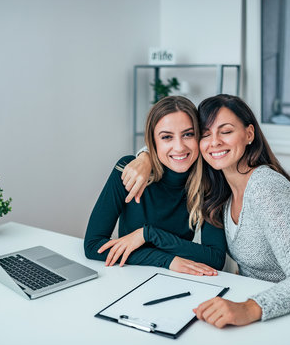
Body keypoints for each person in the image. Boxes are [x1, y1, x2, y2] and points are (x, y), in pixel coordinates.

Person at [121, 94, 290, 326]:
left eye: (226, 131)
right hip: (262, 312)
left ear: (249, 134)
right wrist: (146, 155)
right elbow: (176, 142)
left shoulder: (264, 187)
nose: (214, 142)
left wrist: (250, 307)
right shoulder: (222, 189)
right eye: (205, 134)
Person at [84, 96, 227, 276]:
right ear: (153, 142)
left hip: (176, 281)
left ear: (198, 136)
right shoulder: (129, 171)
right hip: (126, 276)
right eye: (167, 137)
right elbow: (92, 245)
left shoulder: (210, 181)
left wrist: (148, 234)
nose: (179, 147)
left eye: (188, 134)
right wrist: (166, 260)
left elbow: (216, 258)